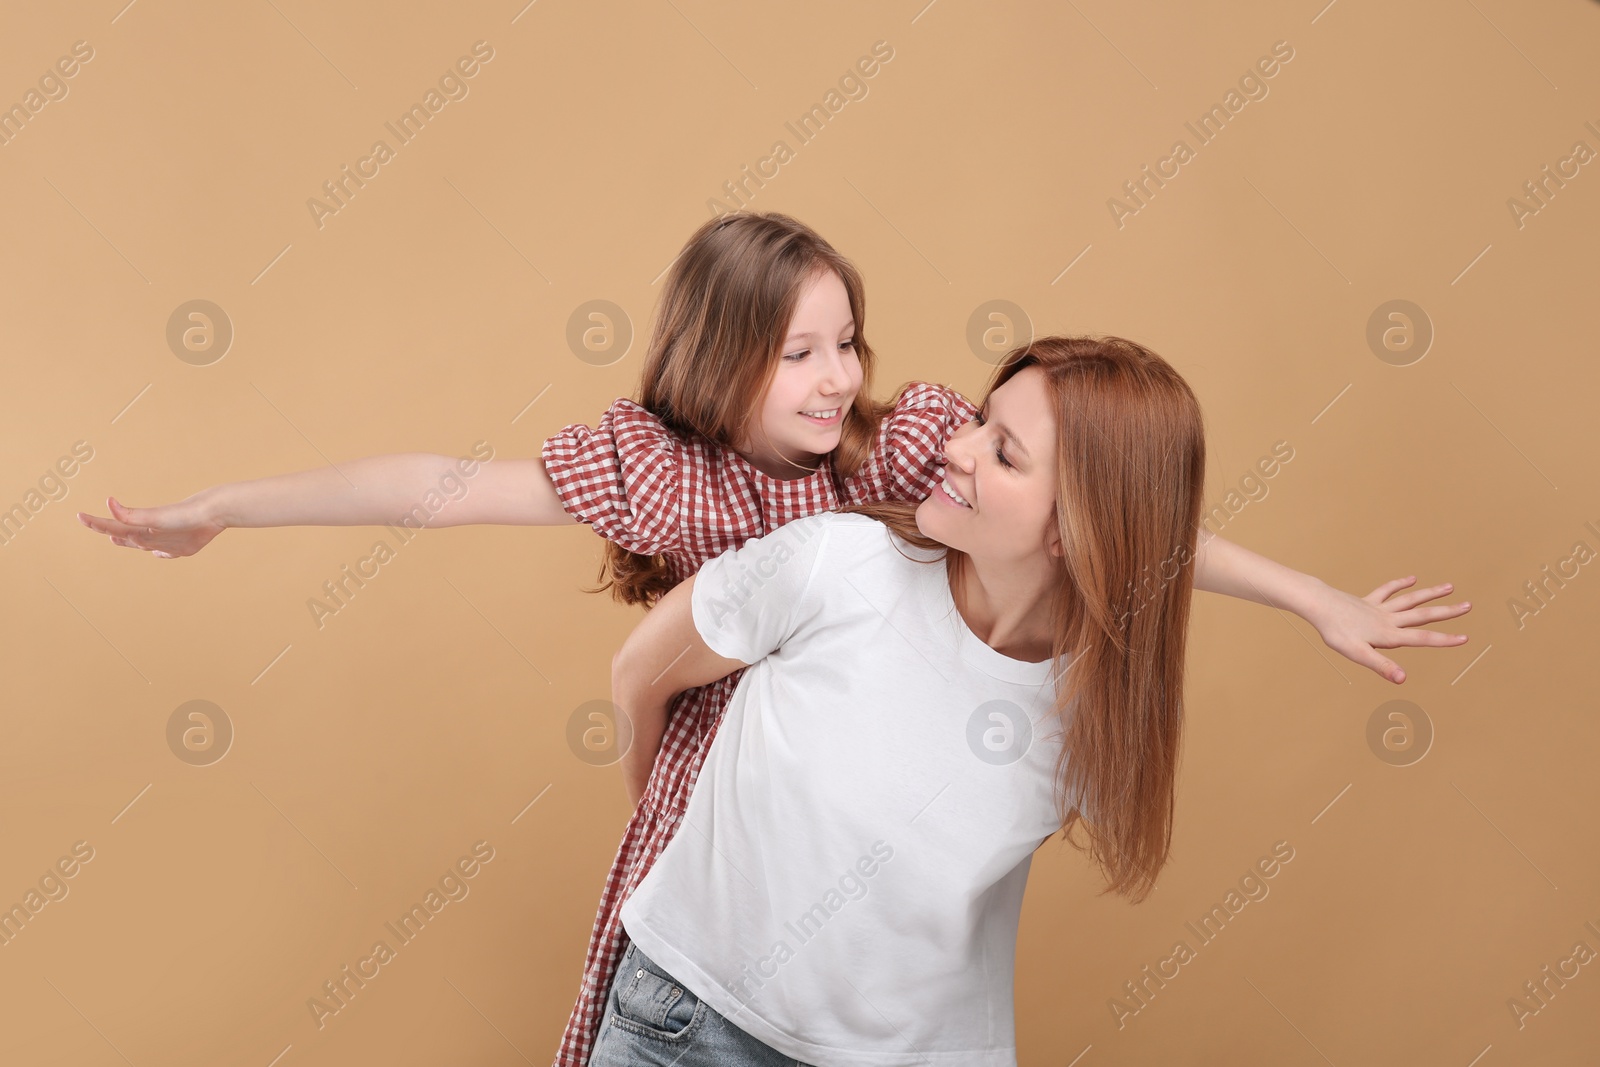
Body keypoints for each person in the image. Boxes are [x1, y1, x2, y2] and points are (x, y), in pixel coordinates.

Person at [73, 214, 1468, 1065]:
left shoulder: (899, 460)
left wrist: (1310, 594)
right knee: (655, 975)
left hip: (849, 775)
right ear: (716, 358)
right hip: (710, 783)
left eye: (847, 341)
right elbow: (429, 488)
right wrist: (222, 510)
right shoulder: (662, 474)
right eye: (799, 352)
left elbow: (1121, 522)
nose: (839, 377)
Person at [592, 336, 1472, 1065]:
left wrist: (1313, 599)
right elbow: (642, 675)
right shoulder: (832, 564)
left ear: (1069, 528)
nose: (956, 446)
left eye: (1003, 452)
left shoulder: (1090, 713)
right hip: (685, 1023)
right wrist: (677, 841)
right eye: (980, 421)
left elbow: (1145, 531)